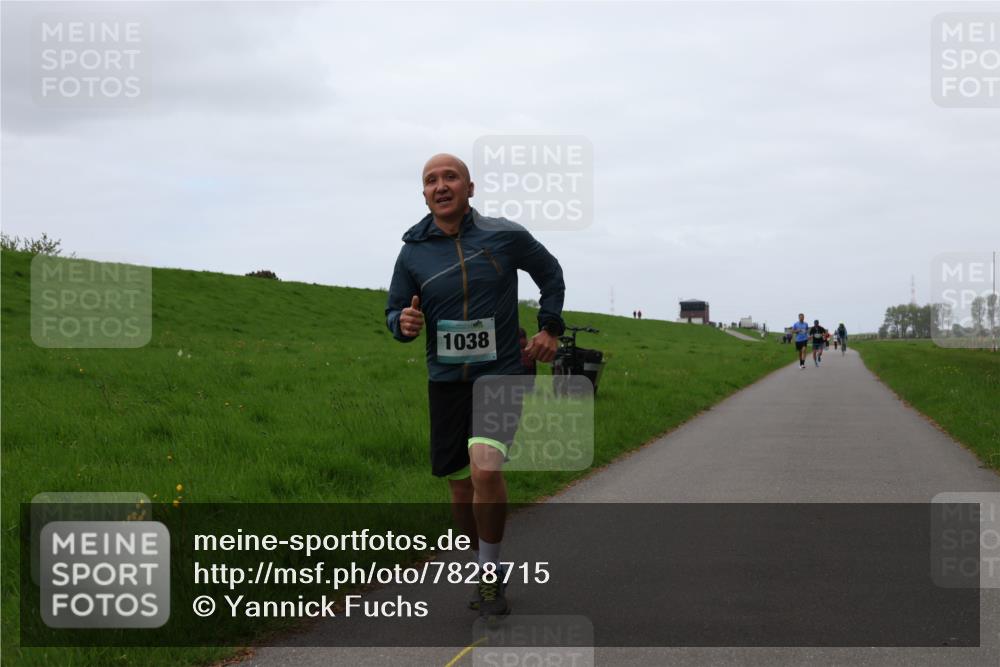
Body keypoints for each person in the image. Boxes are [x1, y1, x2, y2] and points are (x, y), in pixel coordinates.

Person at [386, 153, 565, 618]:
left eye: (450, 177)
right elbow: (393, 311)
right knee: (461, 490)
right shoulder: (412, 253)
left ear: (470, 188)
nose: (440, 185)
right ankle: (486, 566)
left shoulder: (504, 236)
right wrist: (401, 323)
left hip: (502, 371)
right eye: (430, 180)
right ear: (423, 194)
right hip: (446, 380)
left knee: (485, 469)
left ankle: (488, 578)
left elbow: (550, 274)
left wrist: (550, 328)